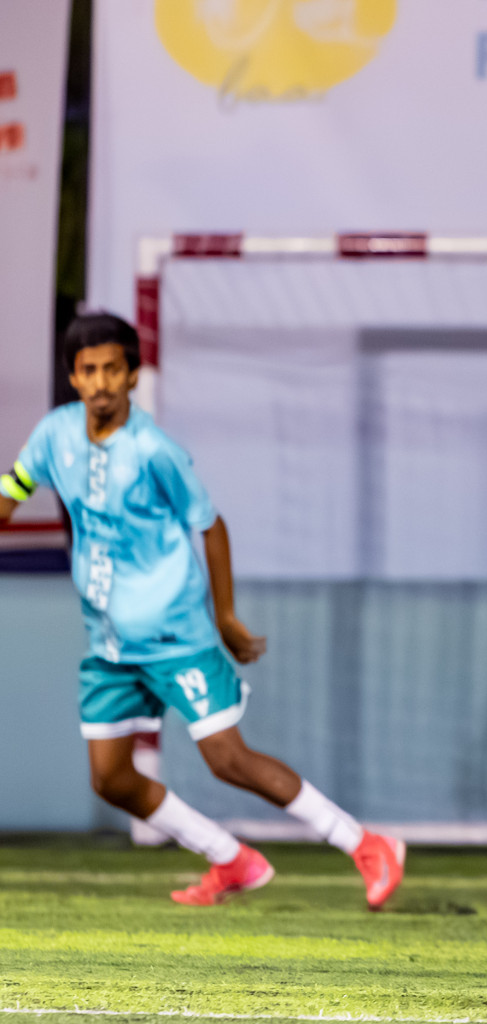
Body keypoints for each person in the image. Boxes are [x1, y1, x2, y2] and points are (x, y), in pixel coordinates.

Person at [0, 314, 405, 909]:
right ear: (74, 378)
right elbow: (13, 489)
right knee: (111, 778)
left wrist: (226, 616)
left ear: (132, 375)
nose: (101, 382)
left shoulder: (154, 450)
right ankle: (230, 858)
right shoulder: (54, 433)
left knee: (227, 759)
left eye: (113, 369)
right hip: (110, 644)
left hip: (176, 636)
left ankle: (367, 844)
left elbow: (211, 527)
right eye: (89, 370)